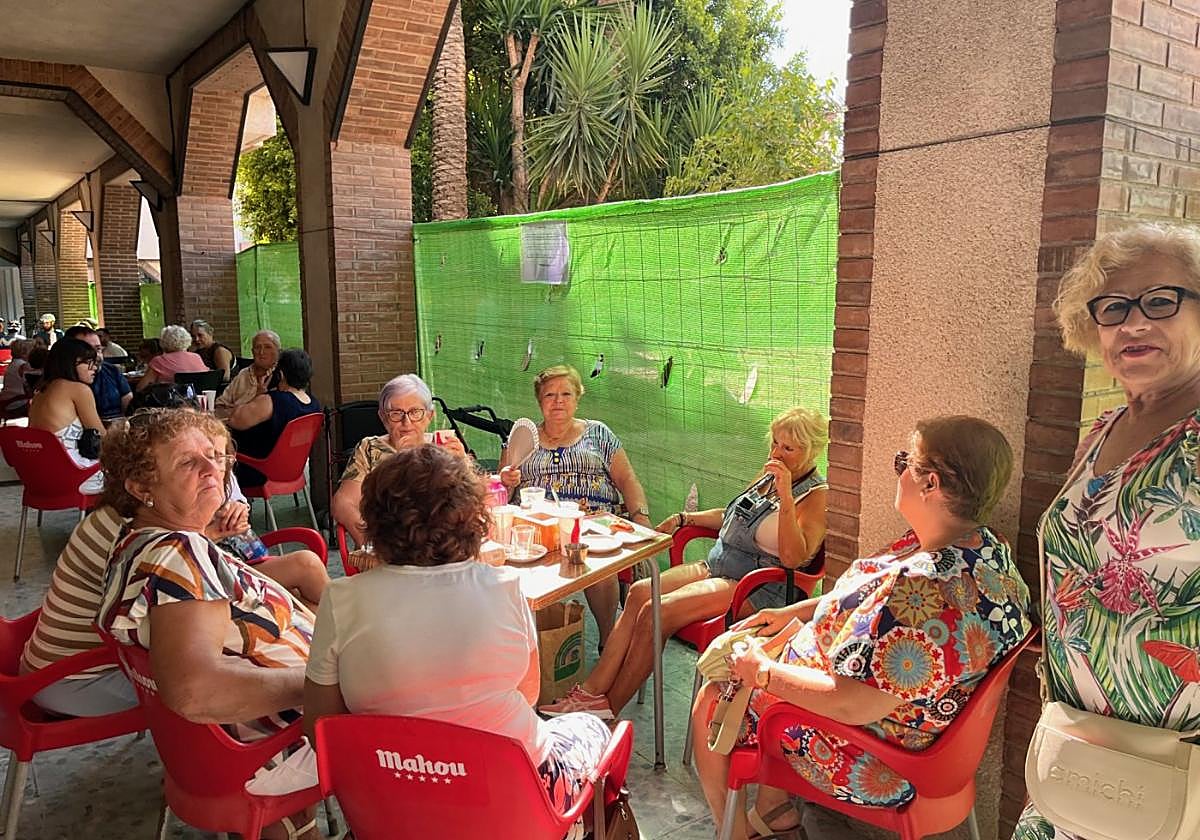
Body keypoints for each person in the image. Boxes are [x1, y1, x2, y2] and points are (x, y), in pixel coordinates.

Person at [692, 416, 1032, 840]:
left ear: (930, 484)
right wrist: (797, 613)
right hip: (900, 729)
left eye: (903, 462)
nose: (898, 472)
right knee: (760, 659)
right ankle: (774, 810)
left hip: (877, 758)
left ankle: (735, 832)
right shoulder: (981, 549)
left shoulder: (924, 589)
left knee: (713, 699)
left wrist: (761, 672)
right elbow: (863, 596)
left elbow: (852, 704)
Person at [1013, 225, 1200, 839]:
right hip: (1079, 756)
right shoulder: (1104, 429)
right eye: (1113, 308)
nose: (1133, 323)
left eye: (1161, 300)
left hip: (1176, 775)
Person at [305, 446, 613, 817]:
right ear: (471, 518)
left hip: (395, 803)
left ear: (376, 521)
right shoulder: (505, 586)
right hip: (512, 801)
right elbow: (528, 693)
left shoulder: (341, 599)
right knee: (592, 728)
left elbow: (321, 728)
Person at [96, 409, 318, 835]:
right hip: (277, 745)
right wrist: (328, 685)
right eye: (187, 462)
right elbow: (194, 690)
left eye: (215, 457)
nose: (211, 469)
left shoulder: (138, 541)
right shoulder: (178, 553)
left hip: (231, 746)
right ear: (141, 486)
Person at [541, 407, 829, 720]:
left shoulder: (816, 495)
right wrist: (684, 518)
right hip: (720, 566)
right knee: (639, 592)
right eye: (774, 443)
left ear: (812, 450)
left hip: (757, 586)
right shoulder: (768, 476)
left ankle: (607, 710)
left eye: (788, 448)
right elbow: (732, 517)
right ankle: (590, 692)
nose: (776, 453)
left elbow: (794, 557)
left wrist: (786, 497)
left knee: (656, 611)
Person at [499, 364, 651, 647]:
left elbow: (627, 479)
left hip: (595, 526)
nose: (558, 401)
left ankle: (609, 641)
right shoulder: (522, 439)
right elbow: (502, 493)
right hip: (541, 532)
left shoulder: (599, 434)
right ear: (539, 401)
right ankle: (536, 647)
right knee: (524, 574)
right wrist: (506, 481)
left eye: (566, 394)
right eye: (550, 395)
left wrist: (641, 518)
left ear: (578, 397)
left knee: (600, 570)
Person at [330, 373, 467, 546]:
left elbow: (473, 504)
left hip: (439, 546)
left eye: (415, 412)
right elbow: (343, 503)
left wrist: (464, 464)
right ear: (383, 417)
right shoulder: (370, 449)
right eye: (396, 413)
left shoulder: (444, 448)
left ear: (429, 416)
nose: (406, 422)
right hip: (387, 546)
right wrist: (372, 542)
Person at [228, 349, 322, 489]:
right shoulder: (314, 406)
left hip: (258, 471)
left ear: (281, 374)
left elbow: (234, 420)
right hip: (293, 470)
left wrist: (258, 395)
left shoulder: (272, 401)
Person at [27, 338, 105, 494]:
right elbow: (102, 436)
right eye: (88, 362)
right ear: (69, 363)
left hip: (39, 477)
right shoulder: (78, 390)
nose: (95, 368)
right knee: (138, 475)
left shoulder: (40, 392)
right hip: (74, 475)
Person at [65, 325, 131, 421]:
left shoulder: (111, 370)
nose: (96, 355)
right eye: (87, 350)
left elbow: (127, 397)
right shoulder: (64, 384)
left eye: (98, 349)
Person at [215, 329, 280, 421]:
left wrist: (258, 399)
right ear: (252, 352)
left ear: (278, 351)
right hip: (233, 424)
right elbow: (220, 404)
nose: (261, 352)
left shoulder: (281, 377)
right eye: (258, 347)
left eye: (268, 347)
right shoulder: (244, 374)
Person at [135, 325, 206, 392]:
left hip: (171, 399)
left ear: (163, 342)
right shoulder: (197, 357)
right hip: (197, 398)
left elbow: (141, 388)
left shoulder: (159, 361)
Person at [190, 319, 234, 383]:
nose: (196, 339)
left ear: (210, 334)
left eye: (200, 335)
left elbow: (225, 377)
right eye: (193, 336)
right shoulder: (198, 351)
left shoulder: (220, 351)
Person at [0, 338, 34, 412]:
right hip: (17, 402)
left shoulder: (12, 364)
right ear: (24, 352)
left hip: (6, 400)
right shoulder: (23, 366)